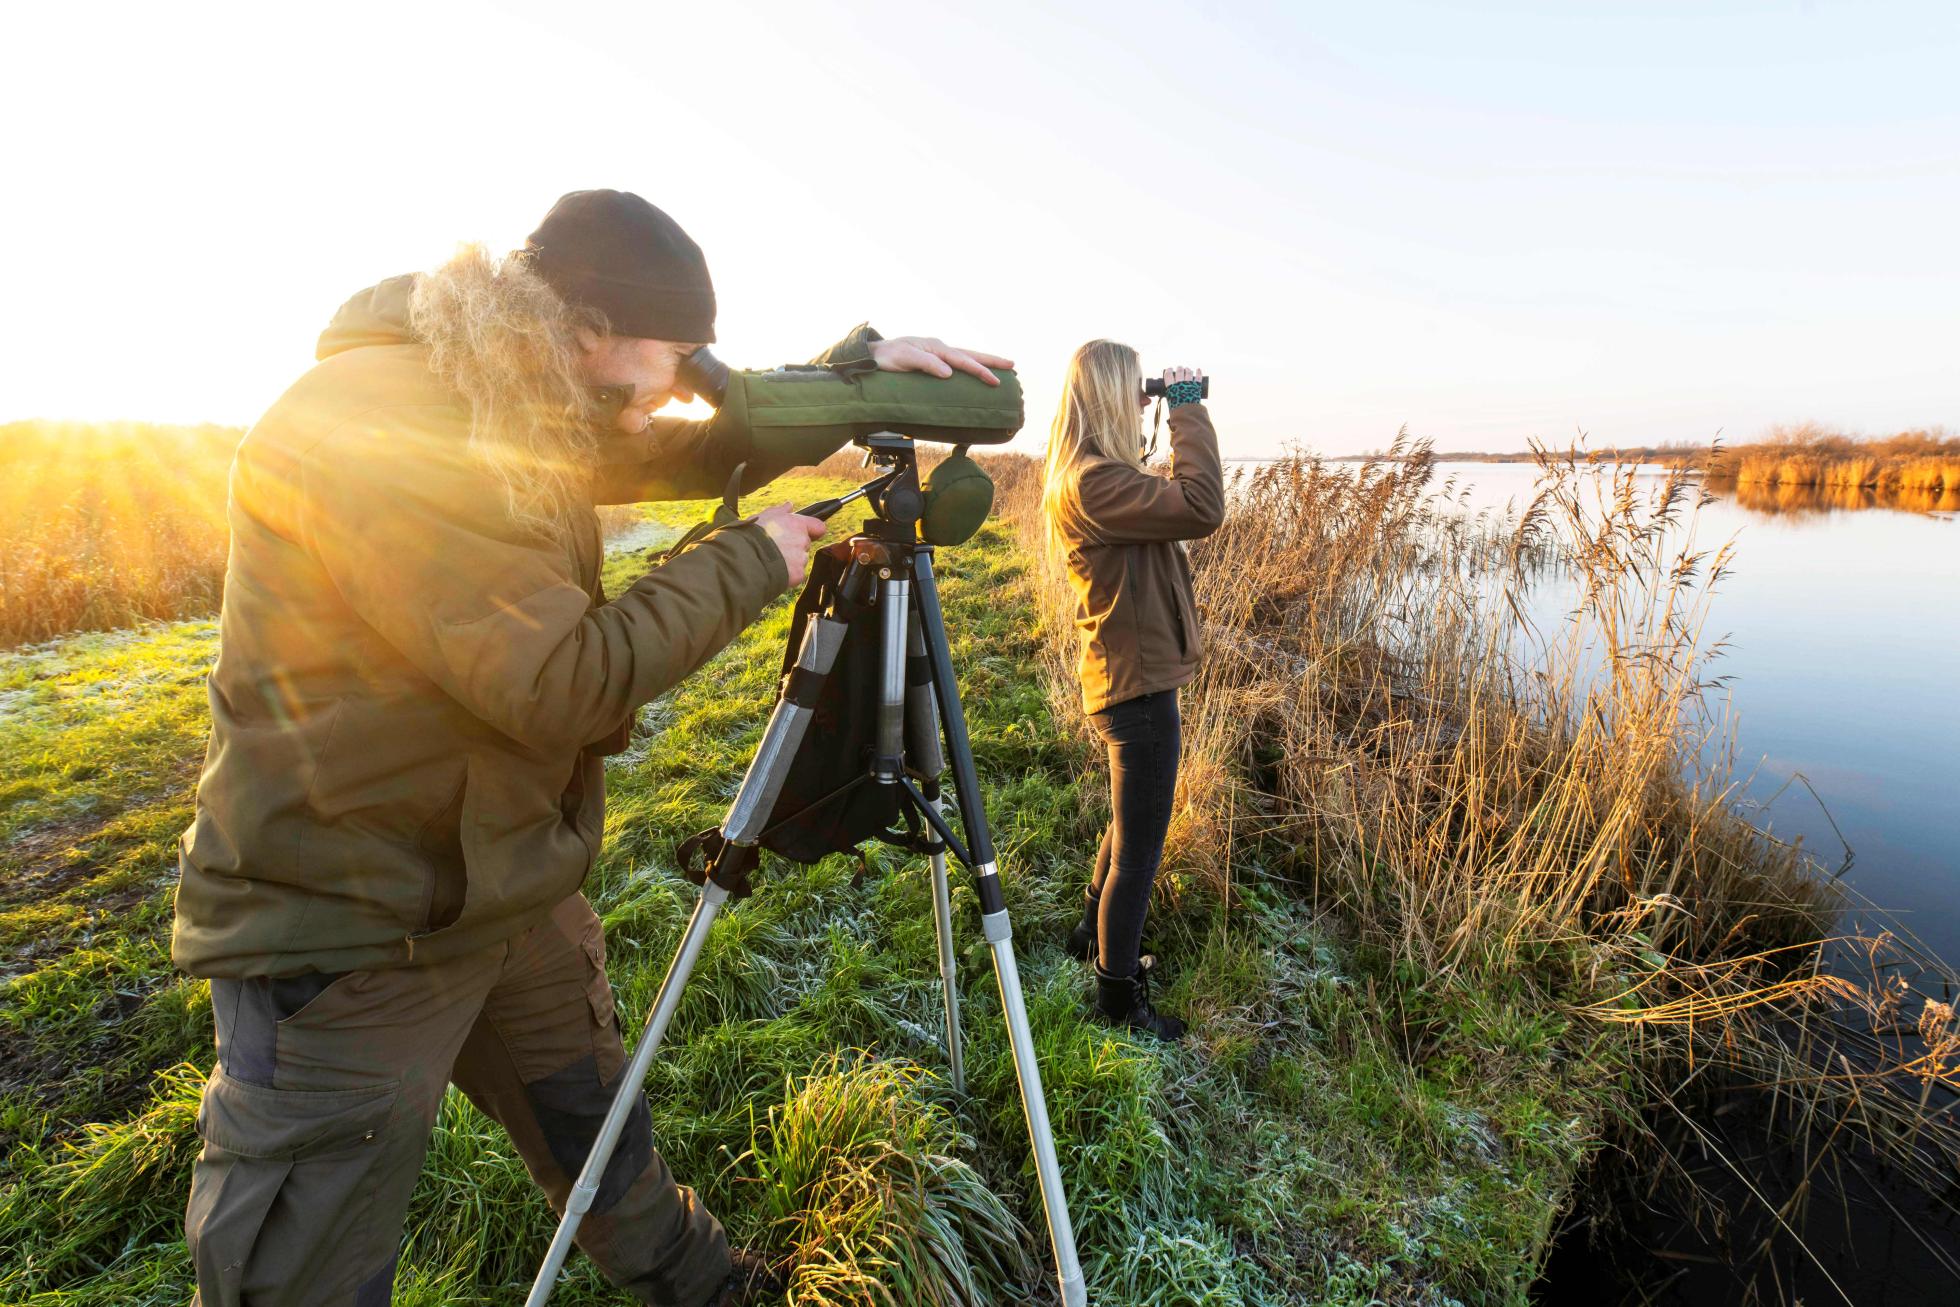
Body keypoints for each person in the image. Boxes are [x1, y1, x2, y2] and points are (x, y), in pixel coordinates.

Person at [171, 188, 1011, 1307]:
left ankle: (709, 1291)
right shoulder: (383, 426)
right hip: (351, 930)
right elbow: (561, 682)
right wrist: (749, 557)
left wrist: (857, 370)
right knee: (299, 1268)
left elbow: (699, 443)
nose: (676, 390)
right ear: (586, 333)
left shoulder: (501, 387)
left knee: (605, 1147)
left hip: (504, 889)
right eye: (674, 359)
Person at [1040, 340, 1224, 1041]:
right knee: (1141, 851)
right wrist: (1187, 408)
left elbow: (1175, 503)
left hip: (1130, 682)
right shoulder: (1096, 483)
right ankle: (1119, 999)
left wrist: (1166, 416)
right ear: (1110, 396)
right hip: (1137, 692)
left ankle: (1091, 931)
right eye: (1137, 391)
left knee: (1129, 824)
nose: (1144, 400)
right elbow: (1202, 504)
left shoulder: (1098, 477)